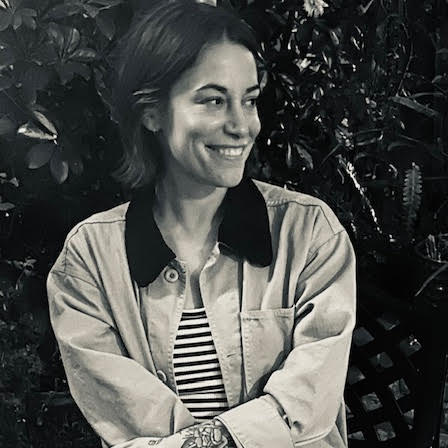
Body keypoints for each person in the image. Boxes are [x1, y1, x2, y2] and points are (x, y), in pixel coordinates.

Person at [47, 1, 356, 447]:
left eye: (249, 100)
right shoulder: (89, 262)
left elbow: (306, 407)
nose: (242, 126)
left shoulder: (310, 234)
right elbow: (125, 422)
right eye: (213, 100)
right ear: (152, 113)